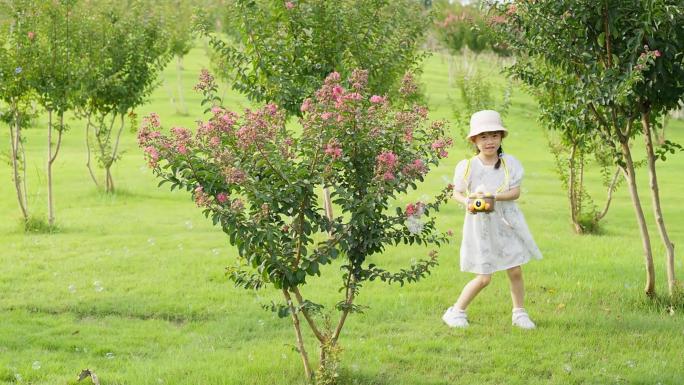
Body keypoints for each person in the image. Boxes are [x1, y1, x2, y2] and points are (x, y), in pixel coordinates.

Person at [442, 110, 542, 329]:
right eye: (484, 137)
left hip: (506, 223)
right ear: (474, 140)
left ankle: (520, 313)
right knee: (484, 277)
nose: (489, 142)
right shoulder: (468, 166)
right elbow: (457, 193)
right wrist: (469, 200)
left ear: (501, 138)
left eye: (494, 136)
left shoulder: (509, 164)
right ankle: (456, 311)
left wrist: (493, 197)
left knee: (515, 269)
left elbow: (515, 193)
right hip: (481, 226)